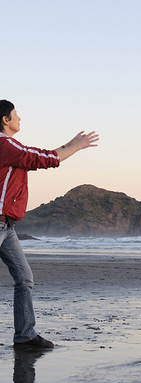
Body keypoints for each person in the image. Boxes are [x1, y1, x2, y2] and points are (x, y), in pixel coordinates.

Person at [0, 100, 99, 348]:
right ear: (5, 119)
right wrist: (75, 147)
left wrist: (68, 144)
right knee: (24, 278)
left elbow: (37, 156)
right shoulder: (5, 144)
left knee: (24, 277)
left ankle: (25, 335)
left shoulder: (9, 147)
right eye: (16, 114)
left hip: (7, 227)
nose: (19, 118)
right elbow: (43, 159)